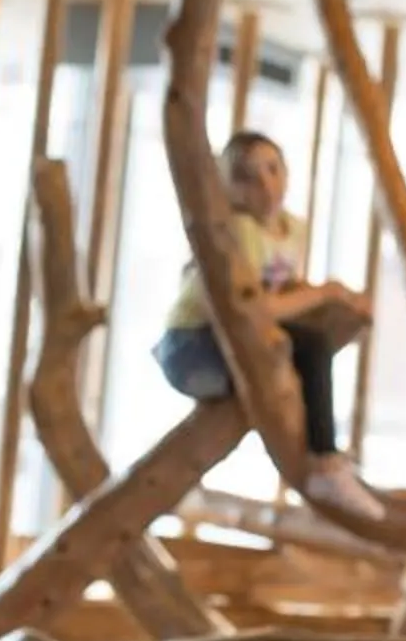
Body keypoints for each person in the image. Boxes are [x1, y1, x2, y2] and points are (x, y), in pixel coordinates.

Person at [152, 131, 384, 519]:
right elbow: (253, 309)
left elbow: (281, 288)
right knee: (309, 346)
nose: (266, 185)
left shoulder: (292, 230)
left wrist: (339, 296)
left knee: (304, 351)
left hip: (231, 341)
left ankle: (325, 458)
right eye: (248, 177)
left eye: (273, 170)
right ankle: (325, 461)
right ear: (231, 188)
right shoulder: (237, 232)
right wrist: (327, 293)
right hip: (193, 347)